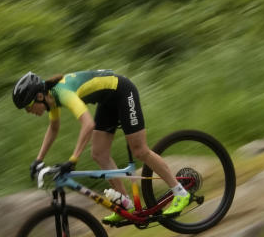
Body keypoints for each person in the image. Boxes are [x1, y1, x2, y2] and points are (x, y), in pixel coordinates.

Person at [12, 70, 190, 223]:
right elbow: (54, 128)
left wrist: (73, 159)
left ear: (39, 96)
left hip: (123, 92)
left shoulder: (62, 93)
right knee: (98, 153)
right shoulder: (51, 99)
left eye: (28, 107)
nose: (29, 112)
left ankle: (180, 192)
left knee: (139, 150)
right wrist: (38, 160)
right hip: (108, 101)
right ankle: (124, 203)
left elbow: (87, 124)